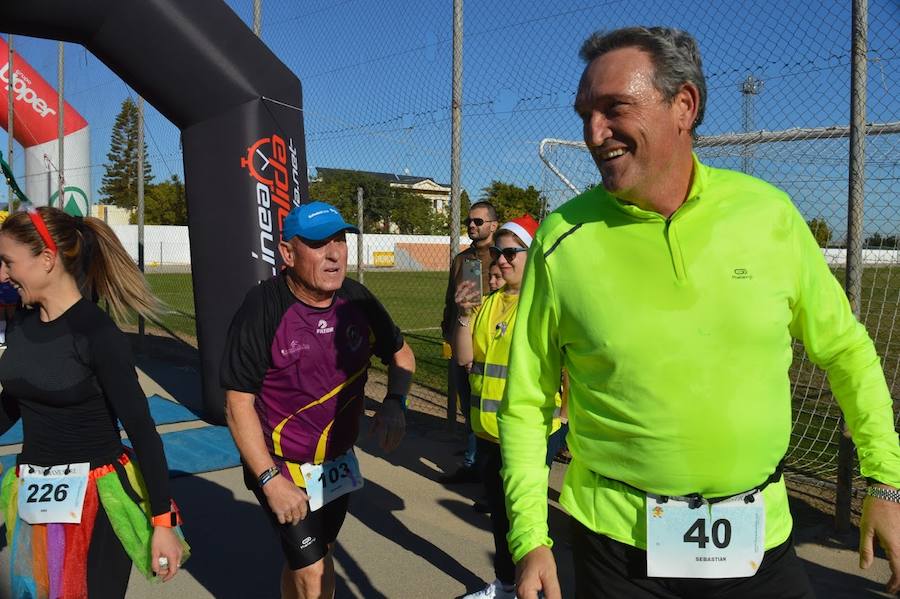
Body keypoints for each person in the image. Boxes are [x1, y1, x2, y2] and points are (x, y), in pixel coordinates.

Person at [499, 26, 900, 599]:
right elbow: (525, 403)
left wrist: (886, 481)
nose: (593, 133)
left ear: (683, 105)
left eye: (614, 108)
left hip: (761, 539)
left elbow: (845, 350)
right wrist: (531, 538)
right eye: (585, 113)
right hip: (616, 553)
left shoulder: (768, 217)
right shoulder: (564, 238)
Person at [221, 201, 415, 599]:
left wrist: (396, 402)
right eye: (317, 243)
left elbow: (402, 355)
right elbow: (237, 403)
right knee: (311, 570)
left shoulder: (357, 300)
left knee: (314, 559)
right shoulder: (263, 308)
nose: (334, 253)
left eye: (340, 240)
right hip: (280, 465)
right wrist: (269, 480)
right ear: (288, 253)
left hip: (336, 463)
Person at [0, 206, 188, 599]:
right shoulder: (20, 324)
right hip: (35, 495)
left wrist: (162, 522)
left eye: (8, 262)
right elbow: (12, 405)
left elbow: (142, 430)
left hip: (98, 503)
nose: (2, 274)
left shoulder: (97, 334)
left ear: (47, 260)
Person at [453, 215, 562, 599]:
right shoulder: (491, 303)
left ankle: (531, 584)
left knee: (525, 517)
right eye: (497, 252)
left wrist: (563, 419)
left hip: (527, 433)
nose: (500, 260)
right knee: (500, 516)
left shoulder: (544, 303)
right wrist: (465, 314)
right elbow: (467, 359)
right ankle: (505, 585)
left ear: (532, 255)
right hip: (486, 429)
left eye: (510, 252)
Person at [440, 201, 499, 484]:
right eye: (469, 221)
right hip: (461, 338)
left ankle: (484, 466)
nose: (472, 226)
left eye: (478, 221)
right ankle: (473, 462)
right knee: (467, 404)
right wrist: (447, 331)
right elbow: (452, 299)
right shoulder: (462, 259)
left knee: (487, 406)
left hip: (490, 346)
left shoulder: (502, 258)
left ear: (493, 225)